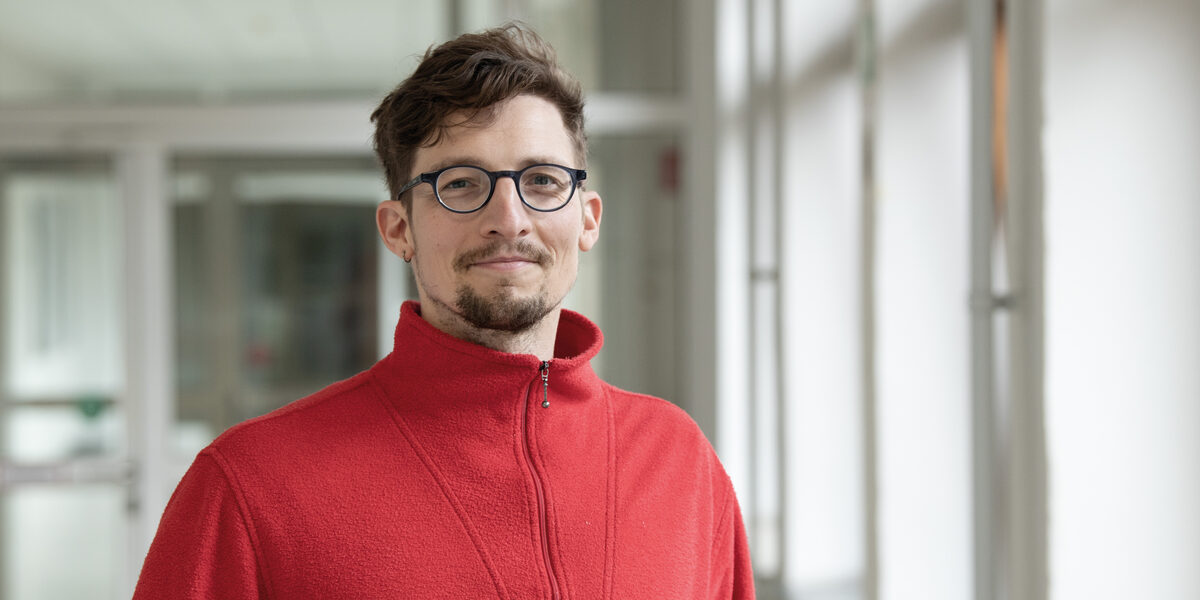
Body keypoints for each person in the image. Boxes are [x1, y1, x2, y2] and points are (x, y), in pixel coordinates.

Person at [133, 23, 753, 599]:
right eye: (460, 183)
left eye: (541, 180)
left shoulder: (680, 462)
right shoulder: (250, 488)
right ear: (398, 229)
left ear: (586, 218)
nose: (508, 219)